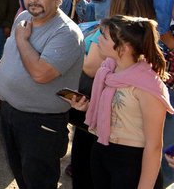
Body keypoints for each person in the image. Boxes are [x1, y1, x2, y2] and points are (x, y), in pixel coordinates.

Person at [0, 0, 84, 189]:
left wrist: (22, 40)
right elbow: (9, 52)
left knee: (39, 181)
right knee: (21, 175)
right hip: (9, 111)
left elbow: (40, 74)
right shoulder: (23, 17)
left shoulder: (66, 33)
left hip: (40, 123)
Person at [64, 15, 172, 189]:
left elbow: (154, 146)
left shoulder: (148, 86)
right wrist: (88, 107)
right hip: (101, 151)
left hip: (130, 162)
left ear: (124, 47)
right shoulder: (108, 70)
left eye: (104, 36)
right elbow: (117, 112)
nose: (98, 39)